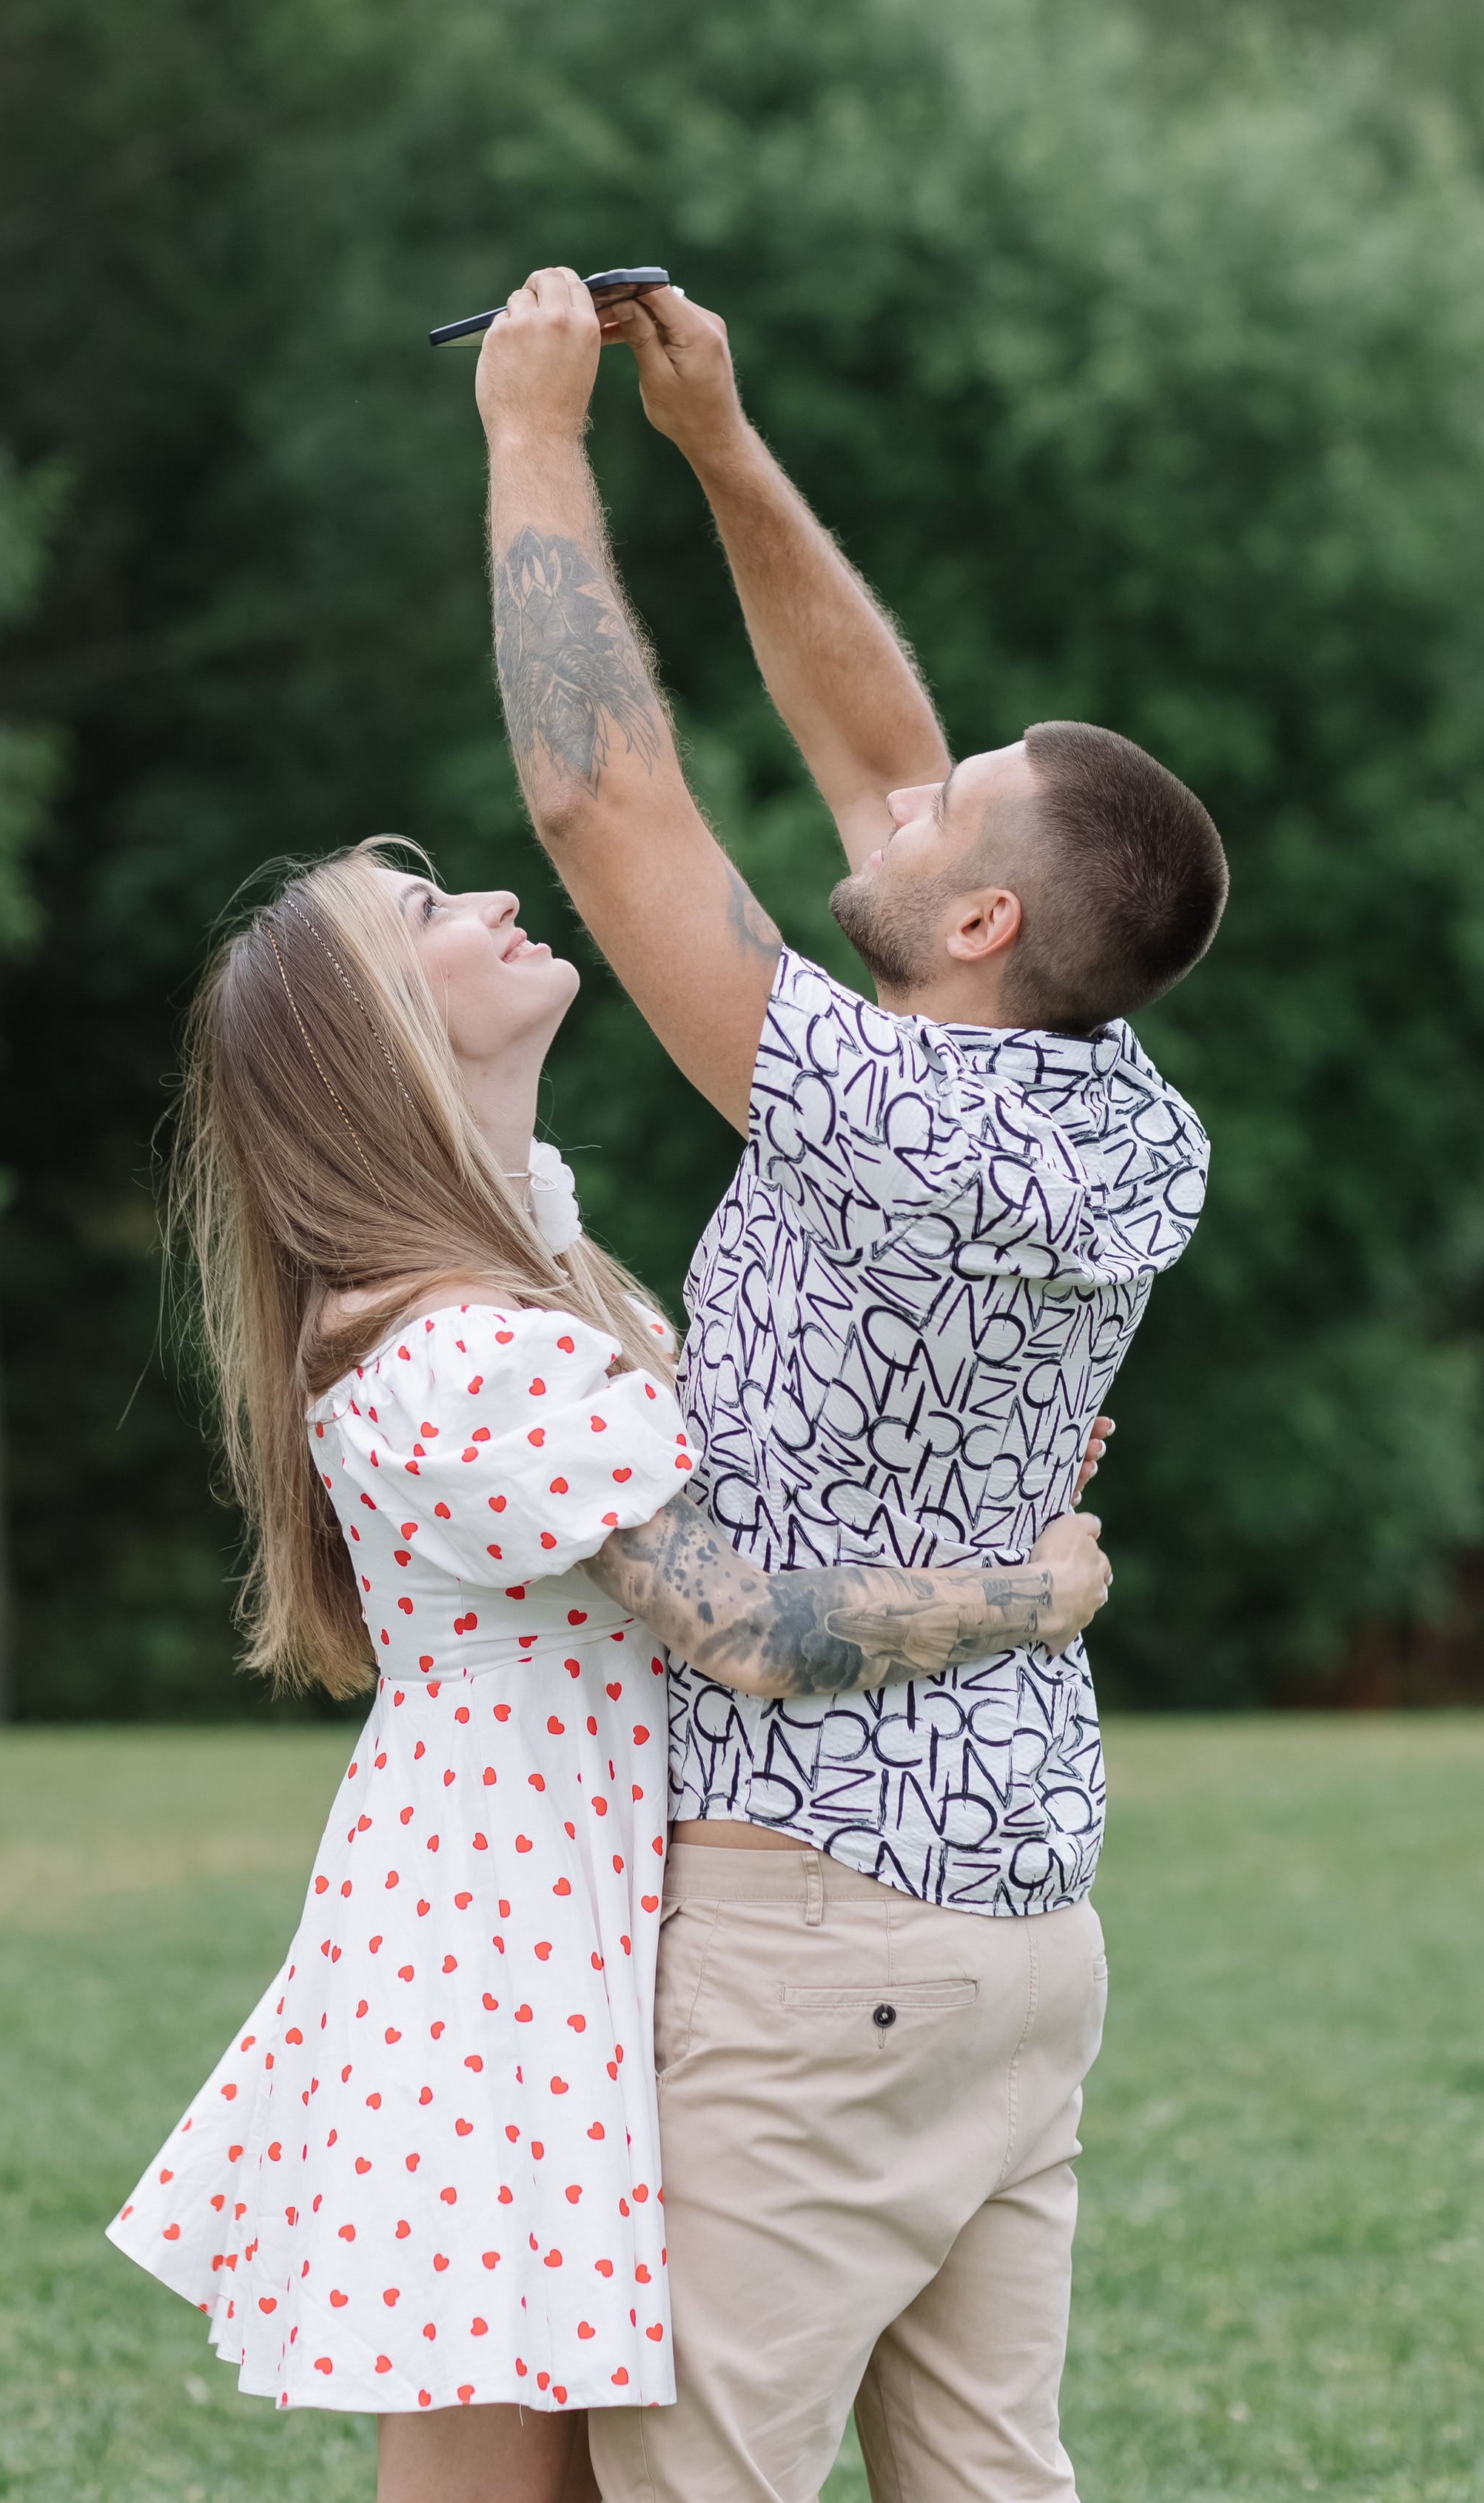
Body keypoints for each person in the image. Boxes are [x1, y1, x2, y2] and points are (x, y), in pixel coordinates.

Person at [473, 269, 1229, 2503]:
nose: (900, 803)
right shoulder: (1127, 1118)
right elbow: (894, 761)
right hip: (1026, 1933)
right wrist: (722, 445)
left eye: (949, 822)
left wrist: (537, 446)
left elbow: (610, 810)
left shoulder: (890, 1118)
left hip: (822, 1933)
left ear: (985, 930)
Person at [104, 844, 1112, 2503]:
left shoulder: (538, 1270)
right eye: (424, 916)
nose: (491, 897)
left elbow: (767, 1482)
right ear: (374, 1040)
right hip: (495, 1941)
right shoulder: (456, 1347)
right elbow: (740, 1626)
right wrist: (1027, 1590)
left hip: (570, 1899)